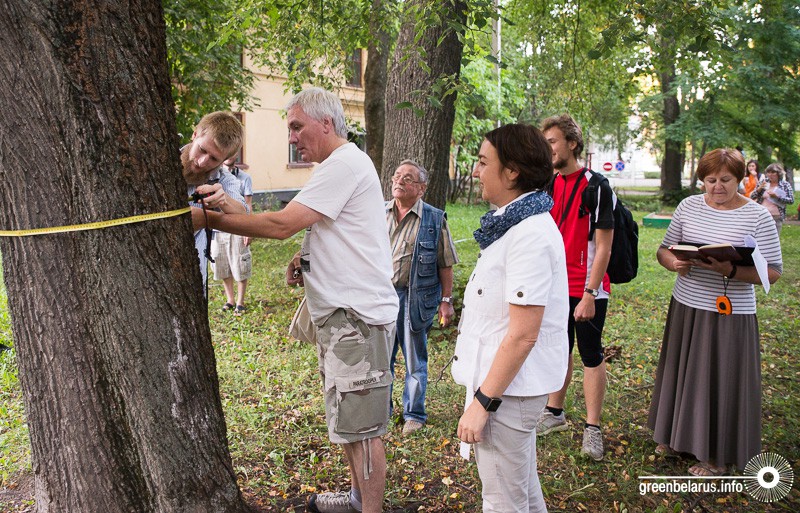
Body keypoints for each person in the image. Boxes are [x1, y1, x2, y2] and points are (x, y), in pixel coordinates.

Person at [194, 87, 398, 513]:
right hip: (342, 318)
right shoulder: (337, 165)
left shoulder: (343, 165)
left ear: (326, 123)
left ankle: (370, 508)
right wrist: (305, 257)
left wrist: (207, 218)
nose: (291, 137)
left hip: (357, 320)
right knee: (348, 420)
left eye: (296, 126)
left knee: (363, 431)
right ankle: (357, 499)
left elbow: (281, 224)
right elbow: (329, 226)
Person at [451, 123, 568, 512]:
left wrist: (483, 403)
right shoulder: (514, 223)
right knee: (523, 493)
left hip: (508, 393)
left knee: (503, 501)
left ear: (513, 171)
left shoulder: (529, 234)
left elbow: (523, 335)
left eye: (484, 162)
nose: (476, 171)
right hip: (507, 388)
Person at [651, 148, 782, 476]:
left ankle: (715, 457)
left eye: (725, 180)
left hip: (730, 313)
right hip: (687, 305)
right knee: (682, 373)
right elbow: (664, 250)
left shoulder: (758, 216)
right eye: (710, 180)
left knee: (720, 381)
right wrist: (674, 262)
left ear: (740, 179)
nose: (717, 187)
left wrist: (731, 271)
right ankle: (675, 438)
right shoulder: (688, 206)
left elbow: (773, 272)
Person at [537, 114, 613, 461]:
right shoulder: (548, 185)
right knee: (559, 348)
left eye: (552, 141)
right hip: (555, 285)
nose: (548, 148)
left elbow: (605, 247)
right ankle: (555, 412)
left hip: (587, 287)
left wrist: (590, 294)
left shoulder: (597, 186)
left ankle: (593, 428)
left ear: (572, 143)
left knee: (591, 353)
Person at [385, 160, 459, 435]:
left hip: (415, 297)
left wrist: (446, 301)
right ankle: (382, 411)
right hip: (382, 296)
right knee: (382, 358)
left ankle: (414, 414)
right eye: (397, 176)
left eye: (408, 178)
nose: (399, 181)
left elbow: (445, 263)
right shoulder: (379, 213)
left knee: (415, 359)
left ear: (421, 188)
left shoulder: (434, 219)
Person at [183, 112, 248, 290]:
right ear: (195, 134)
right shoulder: (159, 161)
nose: (202, 162)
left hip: (190, 277)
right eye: (202, 150)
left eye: (214, 159)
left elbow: (244, 214)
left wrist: (223, 200)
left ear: (224, 160)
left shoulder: (223, 180)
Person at [211, 158, 254, 315]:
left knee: (240, 264)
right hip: (217, 230)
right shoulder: (212, 175)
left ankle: (240, 302)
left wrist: (248, 229)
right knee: (221, 265)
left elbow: (248, 205)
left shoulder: (244, 178)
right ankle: (230, 300)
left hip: (237, 229)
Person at [750, 162, 795, 234]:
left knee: (775, 237)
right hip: (762, 214)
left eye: (773, 172)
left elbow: (791, 200)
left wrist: (777, 196)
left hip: (776, 215)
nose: (770, 174)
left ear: (779, 173)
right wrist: (759, 189)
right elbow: (752, 196)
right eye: (768, 172)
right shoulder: (763, 182)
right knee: (762, 236)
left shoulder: (785, 185)